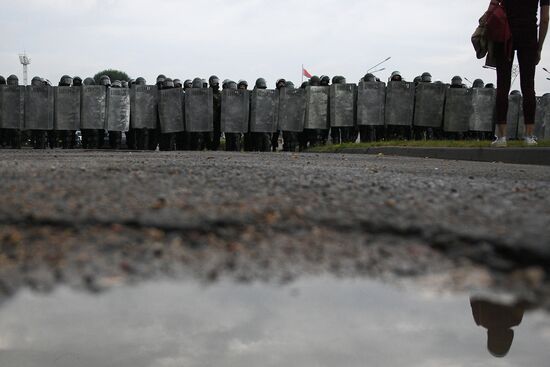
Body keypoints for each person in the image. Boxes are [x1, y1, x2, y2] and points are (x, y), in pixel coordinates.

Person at [493, 0, 549, 147]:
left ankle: (501, 138)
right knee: (528, 86)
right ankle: (529, 137)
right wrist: (539, 47)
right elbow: (545, 18)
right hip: (529, 36)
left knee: (502, 86)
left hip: (504, 35)